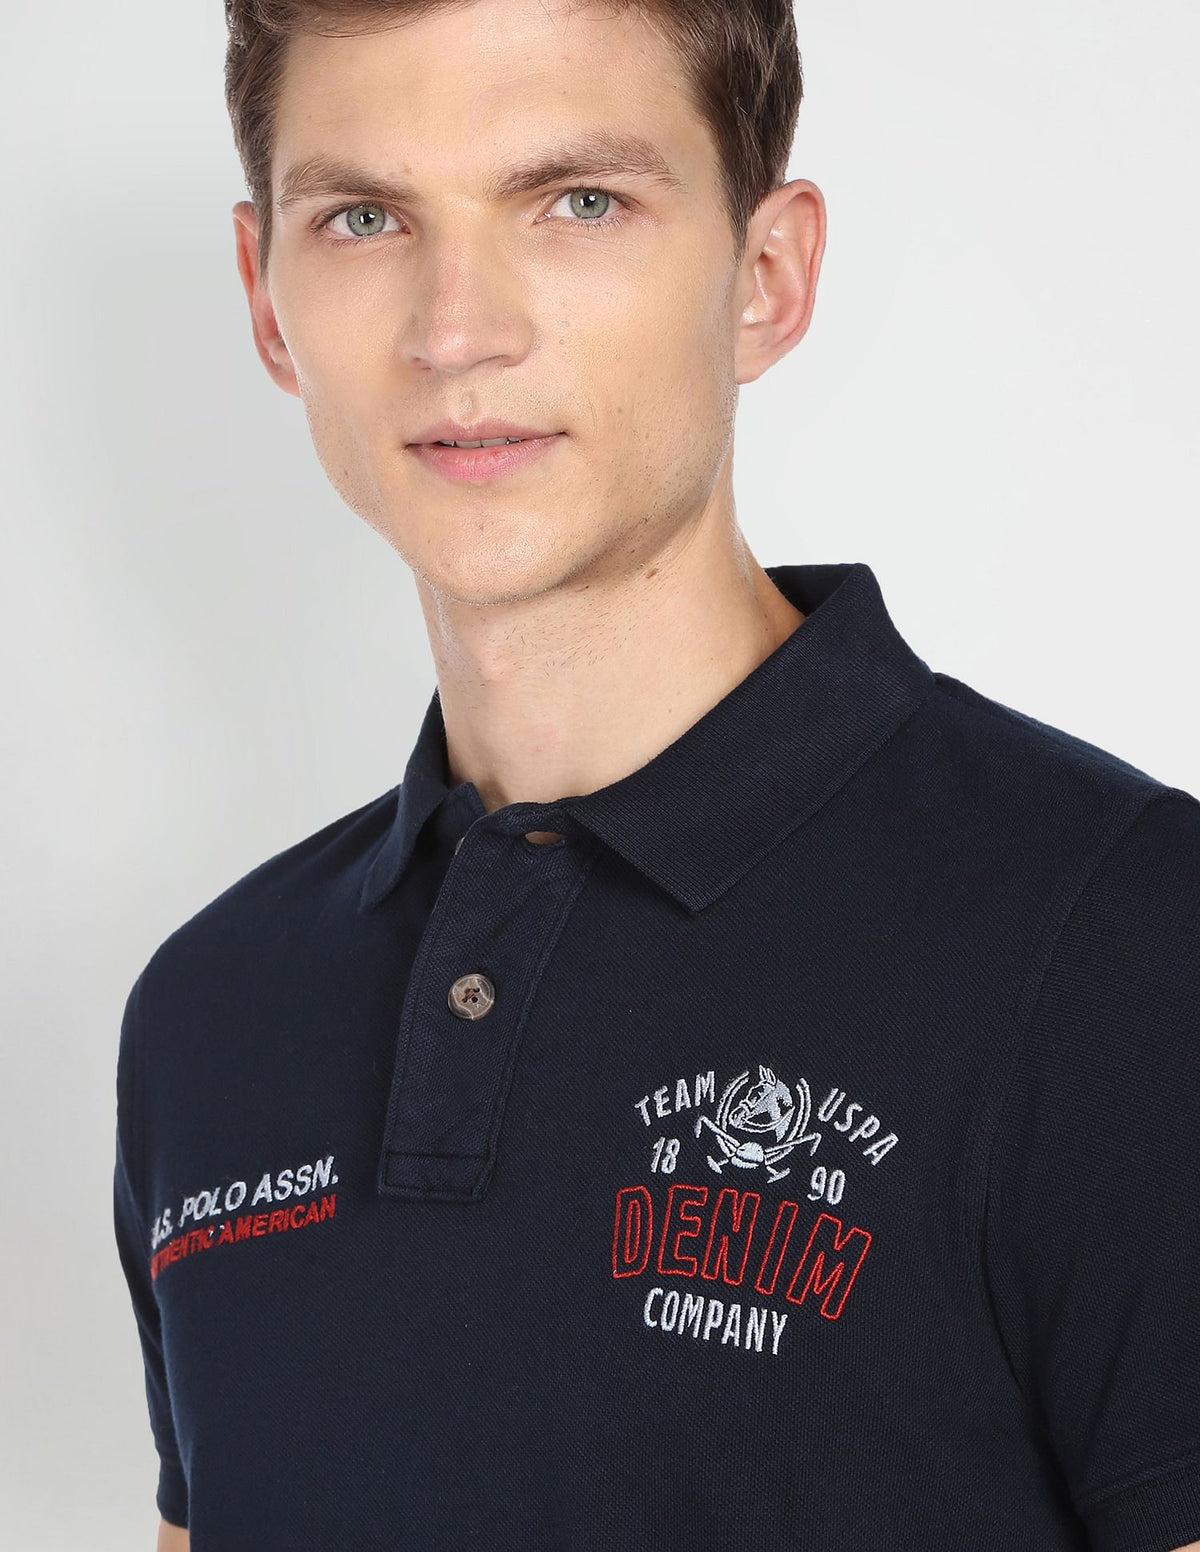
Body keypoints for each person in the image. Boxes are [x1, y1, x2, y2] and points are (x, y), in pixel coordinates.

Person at [113, 3, 1200, 1550]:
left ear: (768, 275)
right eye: (363, 218)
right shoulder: (210, 1012)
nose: (456, 331)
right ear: (265, 300)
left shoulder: (1121, 938)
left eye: (579, 202)